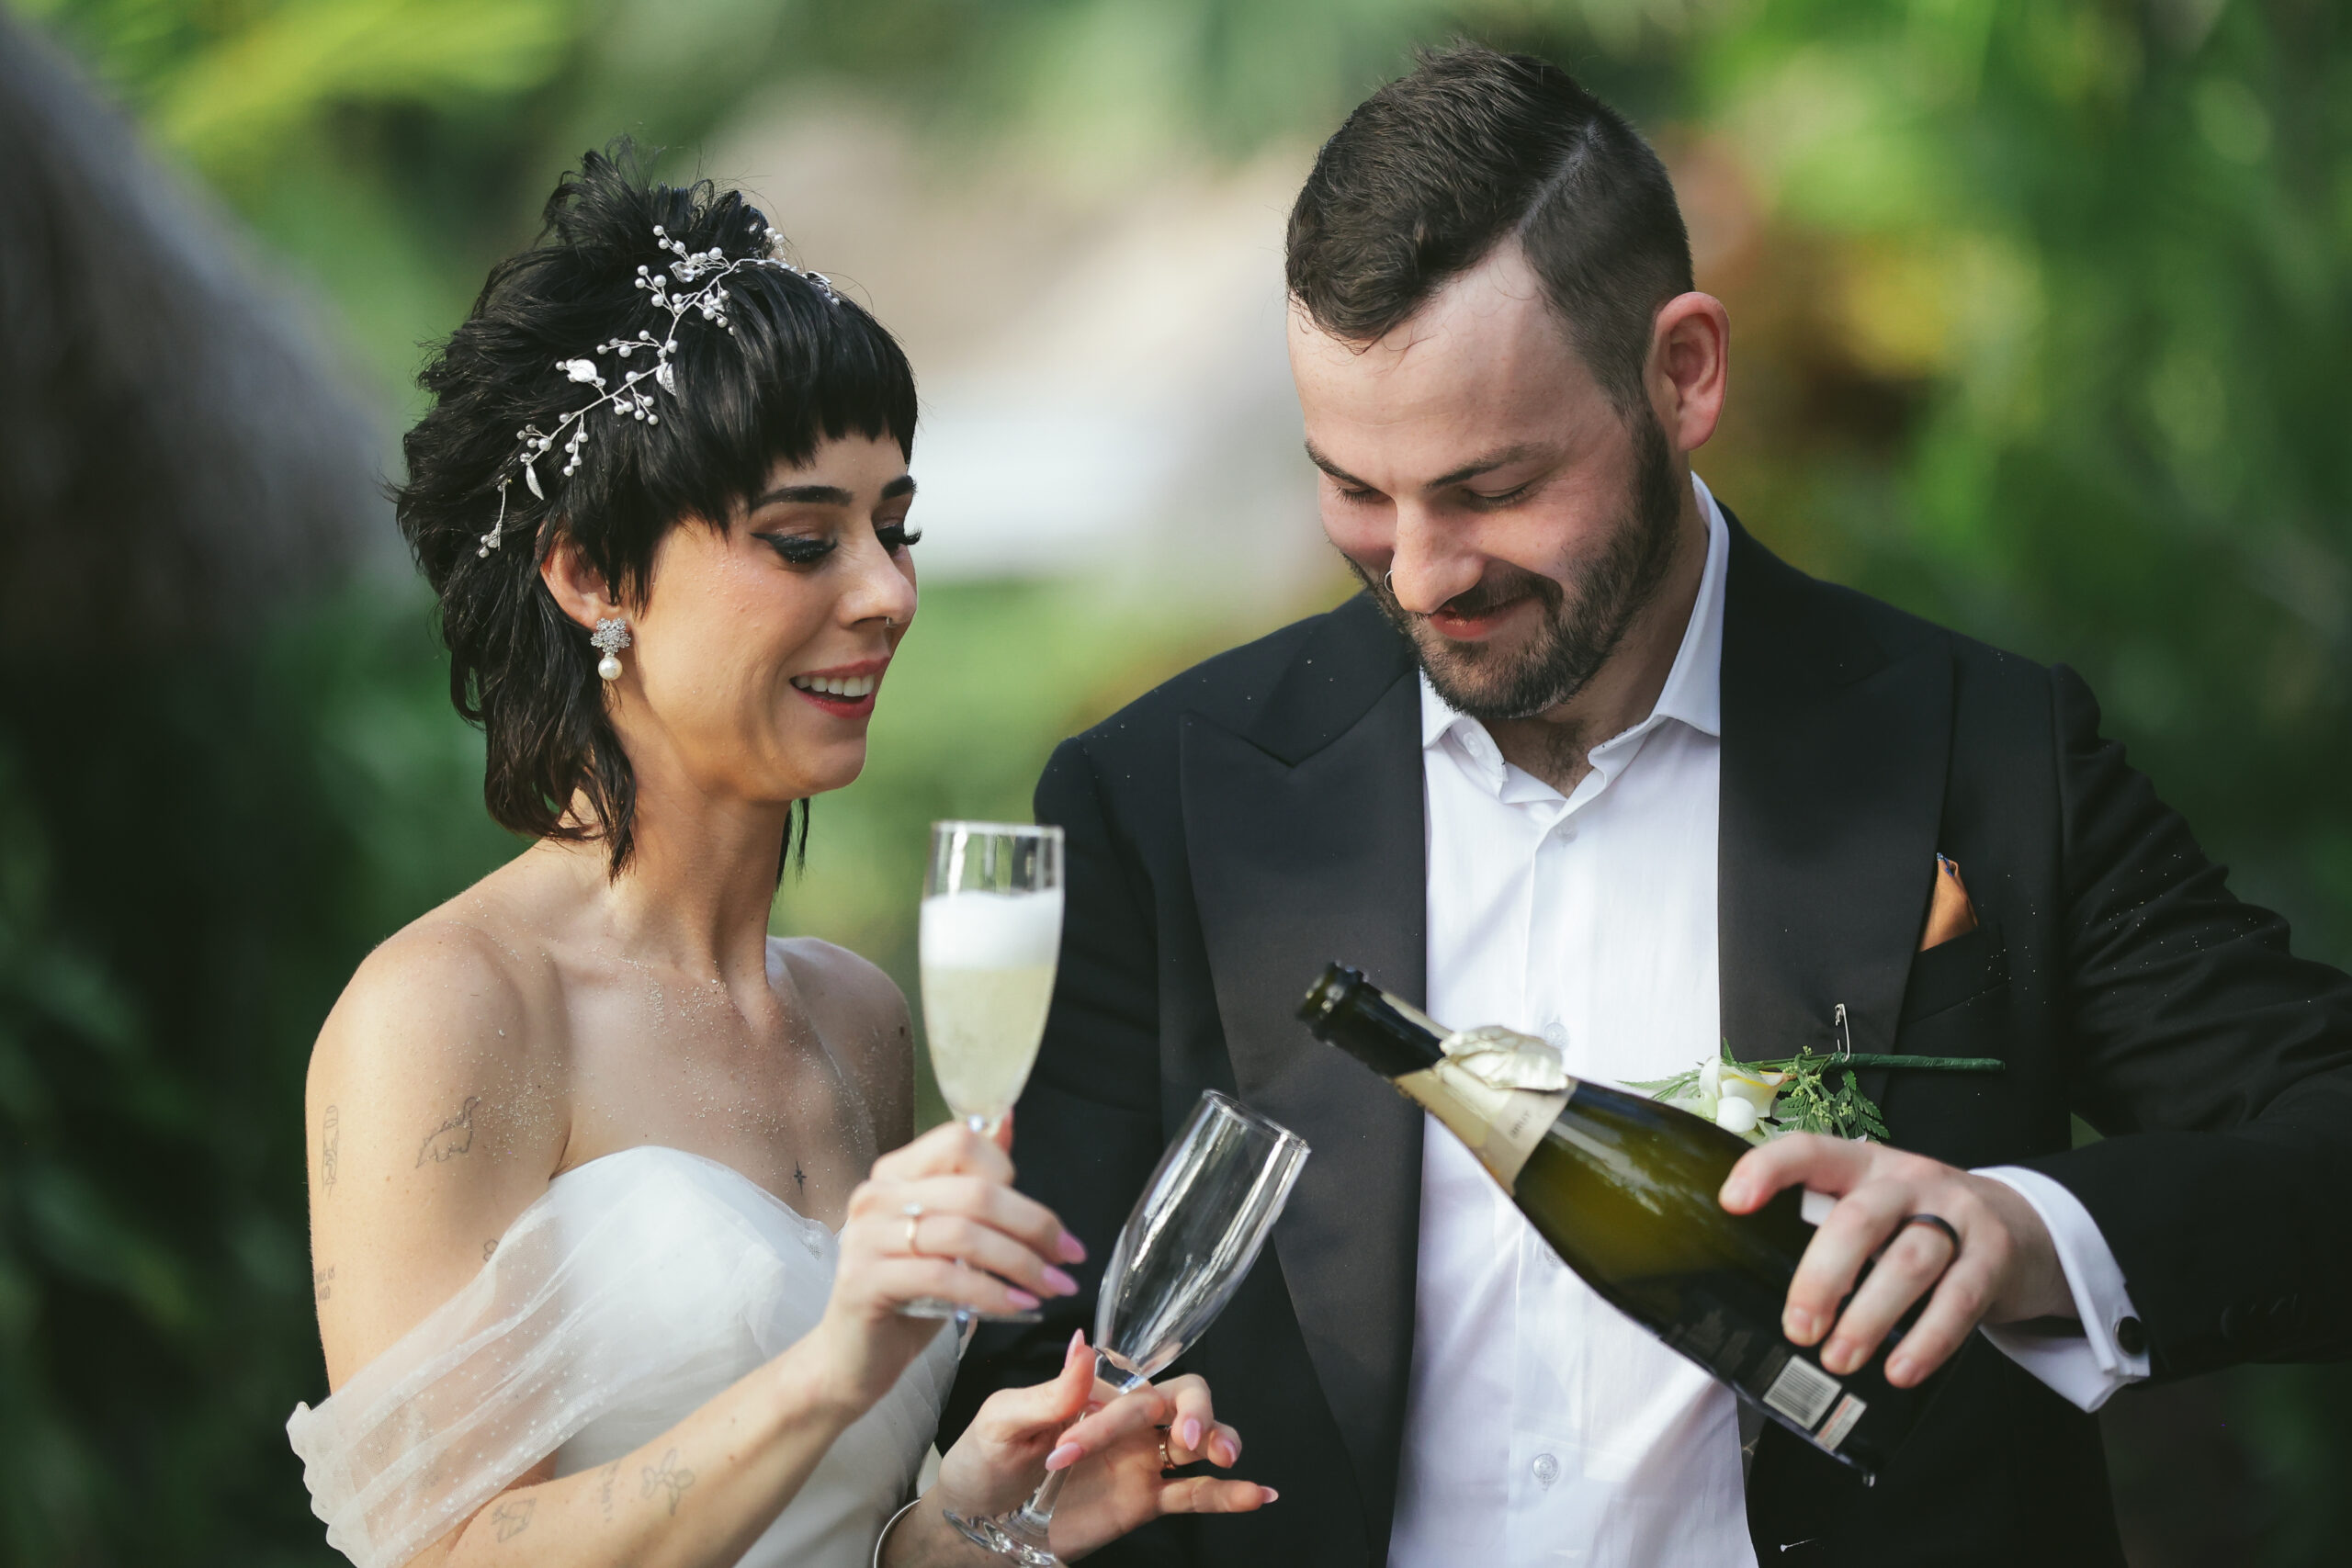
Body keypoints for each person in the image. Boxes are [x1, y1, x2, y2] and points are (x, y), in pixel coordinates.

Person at [944, 44, 2352, 1567]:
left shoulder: (1988, 751)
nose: (1417, 575)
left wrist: (2026, 1235)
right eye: (1356, 489)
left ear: (1684, 372)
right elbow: (1034, 1382)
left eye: (1489, 489)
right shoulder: (1153, 800)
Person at [287, 147, 1273, 1568]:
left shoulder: (857, 1021)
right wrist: (824, 1375)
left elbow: (828, 1538)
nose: (888, 594)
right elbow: (443, 1556)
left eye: (897, 528)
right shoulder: (451, 1013)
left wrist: (968, 1523)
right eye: (804, 540)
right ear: (589, 574)